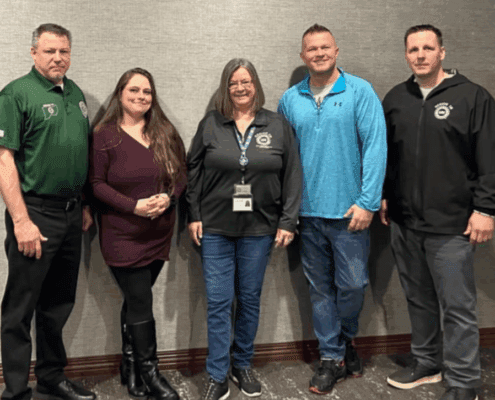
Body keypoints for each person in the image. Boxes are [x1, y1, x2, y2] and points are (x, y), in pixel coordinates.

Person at [380, 24, 495, 400]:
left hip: (452, 225)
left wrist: (486, 209)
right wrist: (385, 196)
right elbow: (388, 156)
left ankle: (464, 381)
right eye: (413, 49)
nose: (420, 55)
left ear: (442, 52)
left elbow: (489, 158)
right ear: (406, 55)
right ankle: (427, 363)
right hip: (405, 222)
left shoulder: (472, 97)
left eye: (428, 48)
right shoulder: (396, 98)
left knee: (458, 306)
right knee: (418, 298)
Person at [278, 24, 387, 395]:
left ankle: (345, 341)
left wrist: (368, 202)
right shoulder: (290, 100)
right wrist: (287, 211)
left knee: (353, 285)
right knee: (320, 290)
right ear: (302, 56)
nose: (319, 53)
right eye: (312, 49)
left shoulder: (360, 91)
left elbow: (376, 147)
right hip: (307, 215)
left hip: (350, 214)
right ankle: (332, 357)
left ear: (336, 51)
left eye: (325, 47)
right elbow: (283, 158)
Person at [187, 58, 302, 400]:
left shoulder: (276, 124)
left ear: (256, 85)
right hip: (215, 228)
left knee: (249, 299)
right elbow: (192, 170)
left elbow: (293, 174)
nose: (240, 88)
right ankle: (217, 374)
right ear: (226, 87)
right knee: (219, 301)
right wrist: (193, 214)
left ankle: (242, 364)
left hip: (260, 228)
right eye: (233, 82)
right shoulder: (211, 123)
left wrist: (288, 221)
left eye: (246, 81)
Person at [0, 23, 96, 400]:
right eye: (50, 51)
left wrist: (83, 203)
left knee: (58, 302)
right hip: (34, 213)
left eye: (64, 51)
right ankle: (16, 390)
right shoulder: (16, 93)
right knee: (20, 307)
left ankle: (52, 376)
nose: (58, 58)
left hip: (71, 214)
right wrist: (21, 221)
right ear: (33, 53)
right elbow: (4, 160)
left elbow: (78, 152)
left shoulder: (75, 93)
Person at [90, 68, 186, 400]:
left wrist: (169, 198)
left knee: (135, 300)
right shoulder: (105, 135)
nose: (141, 96)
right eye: (134, 90)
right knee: (142, 301)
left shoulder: (164, 131)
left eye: (147, 91)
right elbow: (96, 184)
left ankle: (130, 366)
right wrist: (133, 206)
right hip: (122, 234)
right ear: (120, 94)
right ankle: (151, 373)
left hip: (158, 233)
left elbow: (182, 174)